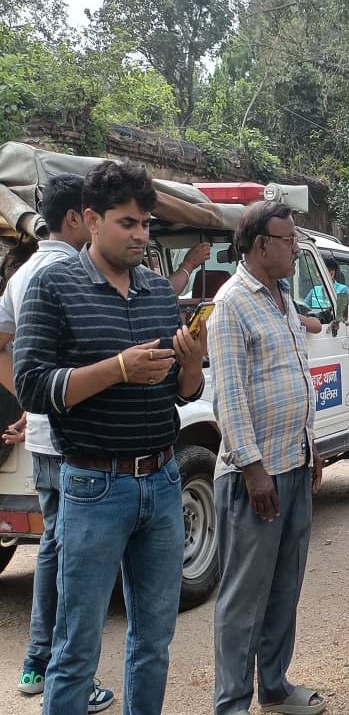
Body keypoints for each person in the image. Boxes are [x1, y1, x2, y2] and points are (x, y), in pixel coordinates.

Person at [14, 160, 207, 715]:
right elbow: (32, 386)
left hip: (164, 482)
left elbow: (178, 389)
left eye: (146, 223)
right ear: (91, 221)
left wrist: (191, 368)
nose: (142, 236)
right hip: (94, 487)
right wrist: (117, 368)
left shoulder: (155, 291)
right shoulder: (53, 284)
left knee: (154, 641)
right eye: (128, 223)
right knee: (76, 648)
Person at [208, 200, 327, 715]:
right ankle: (231, 703)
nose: (296, 249)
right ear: (261, 245)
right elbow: (229, 397)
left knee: (284, 588)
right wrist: (255, 471)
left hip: (294, 463)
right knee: (243, 598)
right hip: (255, 477)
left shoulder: (281, 299)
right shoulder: (232, 303)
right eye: (289, 240)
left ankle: (274, 688)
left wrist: (312, 445)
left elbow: (295, 376)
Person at [0, 174, 114, 712]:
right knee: (78, 559)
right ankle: (69, 674)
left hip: (45, 434)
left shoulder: (21, 274)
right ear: (77, 218)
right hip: (74, 439)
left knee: (54, 548)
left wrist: (27, 399)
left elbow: (4, 344)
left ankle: (36, 659)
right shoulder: (71, 269)